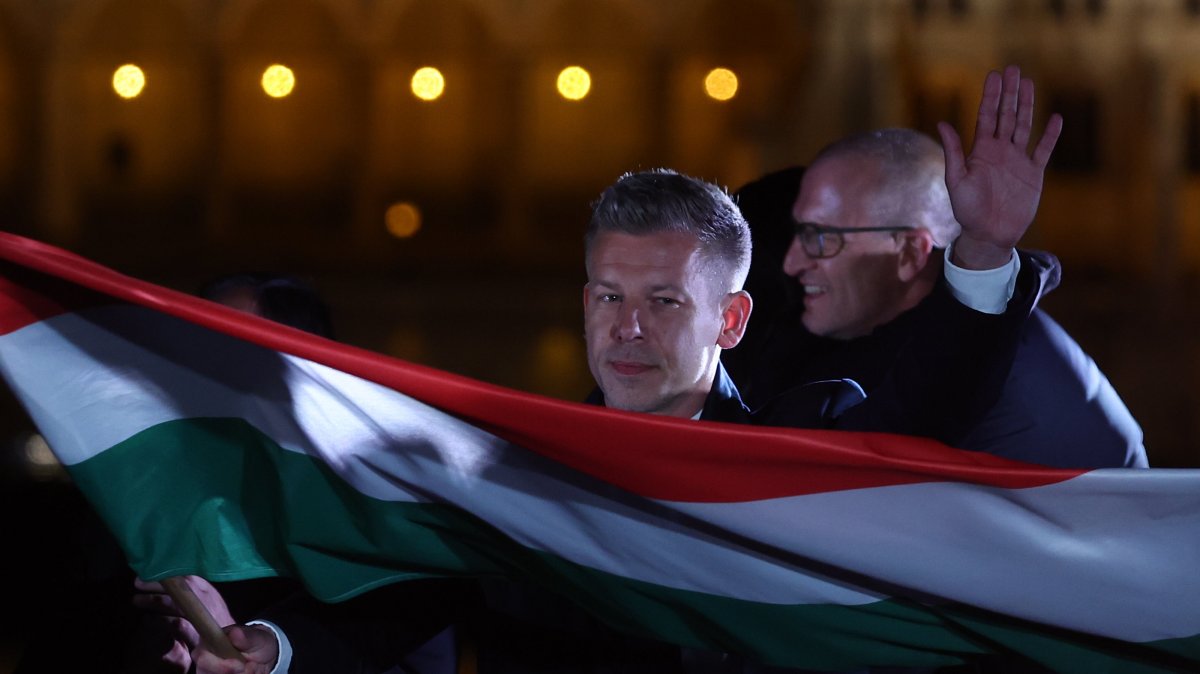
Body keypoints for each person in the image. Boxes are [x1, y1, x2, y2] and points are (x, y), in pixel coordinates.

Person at [194, 64, 1061, 673]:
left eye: (665, 301)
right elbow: (391, 609)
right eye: (609, 296)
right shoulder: (510, 478)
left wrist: (985, 249)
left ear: (731, 320)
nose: (628, 328)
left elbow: (930, 405)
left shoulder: (799, 452)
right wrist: (274, 649)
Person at [724, 68, 1145, 469]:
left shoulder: (981, 367)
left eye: (820, 238)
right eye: (798, 232)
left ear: (910, 252)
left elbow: (853, 470)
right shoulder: (912, 341)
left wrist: (983, 246)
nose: (793, 262)